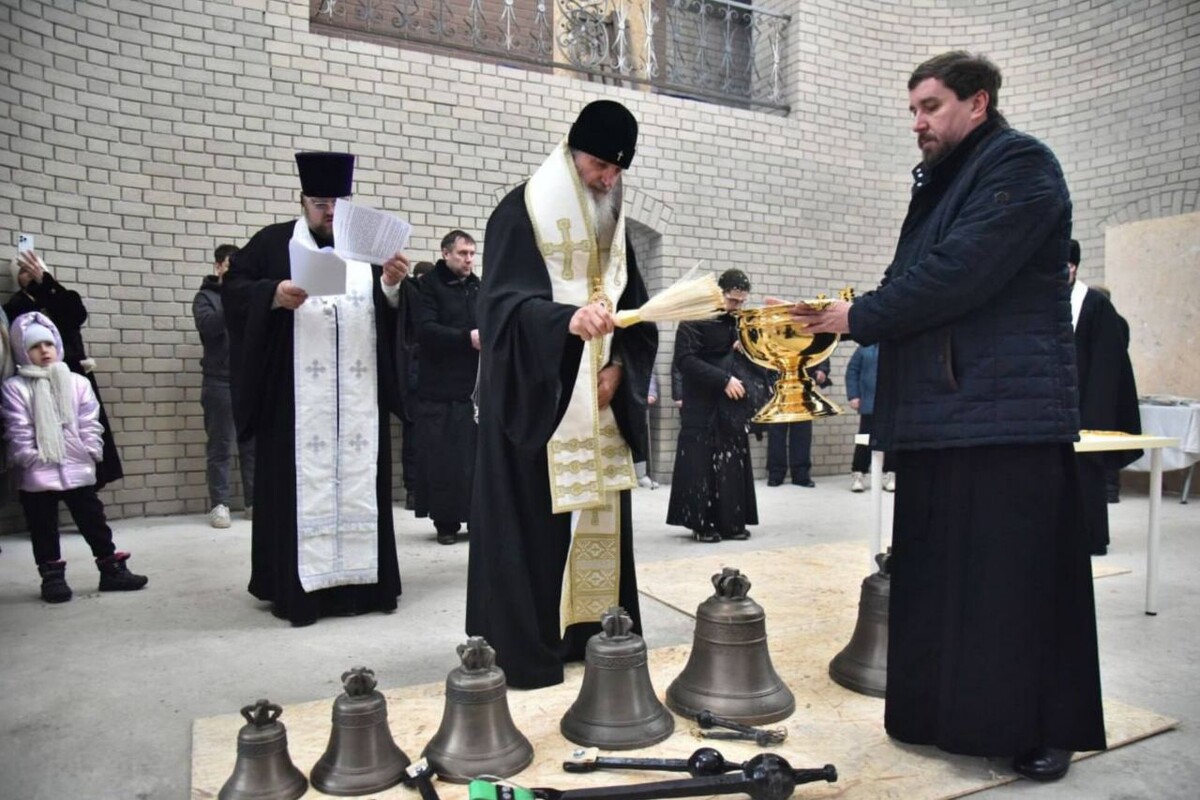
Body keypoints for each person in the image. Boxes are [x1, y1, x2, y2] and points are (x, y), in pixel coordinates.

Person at [792, 52, 1105, 782]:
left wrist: (857, 317)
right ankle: (942, 713)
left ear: (979, 102)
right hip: (945, 410)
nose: (918, 123)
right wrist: (844, 311)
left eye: (930, 106)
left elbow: (960, 272)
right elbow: (910, 276)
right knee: (941, 577)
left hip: (1008, 417)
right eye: (913, 110)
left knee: (1012, 584)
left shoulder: (1021, 164)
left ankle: (1040, 727)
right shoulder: (943, 181)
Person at [466, 100, 658, 689]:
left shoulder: (614, 227)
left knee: (598, 529)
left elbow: (637, 313)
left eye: (617, 171)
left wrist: (618, 371)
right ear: (573, 153)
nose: (608, 180)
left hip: (599, 410)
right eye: (600, 166)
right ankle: (531, 648)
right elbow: (501, 310)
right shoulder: (520, 212)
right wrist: (565, 324)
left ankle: (590, 634)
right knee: (534, 533)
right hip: (540, 410)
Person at [222, 151, 413, 627]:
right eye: (320, 204)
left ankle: (362, 588)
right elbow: (233, 290)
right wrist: (273, 294)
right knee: (295, 488)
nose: (329, 213)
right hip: (295, 405)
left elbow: (391, 316)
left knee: (361, 483)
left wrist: (391, 287)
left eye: (337, 205)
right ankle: (298, 591)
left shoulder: (366, 249)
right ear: (303, 201)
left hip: (359, 403)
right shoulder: (272, 243)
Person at [2, 312, 148, 602]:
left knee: (94, 521)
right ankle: (52, 578)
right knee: (43, 526)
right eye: (35, 346)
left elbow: (90, 420)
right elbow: (17, 428)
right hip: (37, 472)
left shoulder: (77, 383)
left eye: (48, 344)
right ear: (23, 351)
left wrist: (90, 450)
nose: (44, 351)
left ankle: (111, 570)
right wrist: (30, 457)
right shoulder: (16, 388)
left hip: (77, 466)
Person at [6, 250, 123, 489]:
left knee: (83, 434)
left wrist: (45, 283)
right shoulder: (15, 307)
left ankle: (85, 487)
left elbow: (75, 315)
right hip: (35, 386)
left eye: (33, 267)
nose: (29, 273)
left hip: (72, 380)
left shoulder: (61, 296)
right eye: (23, 270)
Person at [666, 268, 760, 542]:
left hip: (731, 406)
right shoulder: (695, 317)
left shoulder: (739, 321)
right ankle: (702, 523)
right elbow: (685, 360)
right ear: (720, 293)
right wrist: (723, 380)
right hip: (701, 403)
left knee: (732, 461)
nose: (737, 306)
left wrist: (747, 349)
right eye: (732, 300)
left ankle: (732, 521)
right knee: (701, 463)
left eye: (741, 301)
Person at [1069, 239, 1140, 547]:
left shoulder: (1095, 305)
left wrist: (1095, 414)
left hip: (1086, 406)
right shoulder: (1045, 301)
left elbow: (1107, 364)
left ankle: (1091, 539)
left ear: (1074, 267)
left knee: (1087, 474)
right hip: (1056, 407)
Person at [413, 231, 480, 545]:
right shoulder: (428, 286)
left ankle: (476, 518)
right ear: (445, 253)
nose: (468, 260)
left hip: (473, 390)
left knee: (473, 461)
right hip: (438, 389)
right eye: (463, 253)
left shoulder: (479, 287)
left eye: (472, 254)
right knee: (444, 461)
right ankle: (446, 523)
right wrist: (467, 338)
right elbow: (425, 330)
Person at [193, 244, 255, 529]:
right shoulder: (205, 298)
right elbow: (209, 328)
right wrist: (231, 299)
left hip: (247, 380)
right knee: (220, 446)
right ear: (218, 267)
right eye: (230, 267)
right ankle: (220, 504)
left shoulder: (247, 297)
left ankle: (253, 502)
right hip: (218, 380)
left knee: (251, 445)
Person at [400, 260, 435, 510]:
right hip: (418, 376)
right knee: (414, 436)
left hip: (423, 376)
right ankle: (414, 489)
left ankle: (415, 489)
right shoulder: (412, 296)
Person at [765, 359, 831, 487]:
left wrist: (822, 370)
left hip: (803, 387)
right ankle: (776, 474)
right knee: (776, 433)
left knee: (802, 433)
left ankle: (801, 475)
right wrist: (767, 379)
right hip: (778, 385)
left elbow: (822, 350)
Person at [845, 343, 895, 492]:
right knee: (863, 439)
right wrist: (853, 395)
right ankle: (858, 473)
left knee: (892, 440)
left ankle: (890, 474)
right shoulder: (864, 348)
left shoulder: (896, 346)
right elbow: (852, 371)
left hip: (891, 403)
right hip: (868, 404)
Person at [635, 373, 660, 489]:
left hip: (638, 405)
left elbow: (649, 375)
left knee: (639, 439)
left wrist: (651, 394)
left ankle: (640, 475)